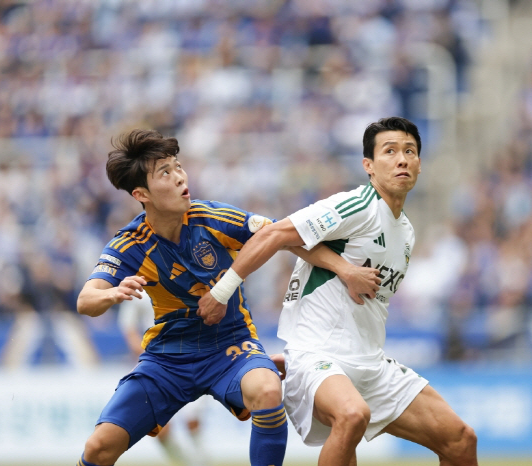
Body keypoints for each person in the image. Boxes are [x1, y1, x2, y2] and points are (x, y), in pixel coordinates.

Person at [76, 129, 379, 466]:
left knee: (266, 389)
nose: (179, 177)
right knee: (98, 449)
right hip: (167, 360)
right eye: (165, 172)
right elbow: (86, 301)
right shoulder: (130, 244)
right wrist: (113, 293)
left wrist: (345, 270)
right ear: (141, 193)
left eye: (178, 166)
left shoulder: (213, 218)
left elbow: (285, 236)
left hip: (230, 348)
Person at [198, 117, 479, 466]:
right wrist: (221, 292)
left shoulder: (405, 231)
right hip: (318, 355)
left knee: (461, 440)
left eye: (410, 151)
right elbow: (275, 234)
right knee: (352, 415)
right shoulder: (356, 206)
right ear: (369, 166)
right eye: (389, 151)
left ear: (420, 164)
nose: (402, 159)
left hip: (371, 363)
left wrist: (342, 268)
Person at [118, 290, 207, 466]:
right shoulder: (140, 290)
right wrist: (146, 356)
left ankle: (202, 461)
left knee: (192, 420)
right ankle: (181, 462)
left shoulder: (187, 277)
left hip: (191, 360)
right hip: (157, 364)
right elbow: (129, 328)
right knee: (159, 429)